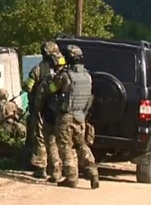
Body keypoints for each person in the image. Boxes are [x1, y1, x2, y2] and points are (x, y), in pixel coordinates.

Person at [48, 44, 100, 189]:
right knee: (81, 144)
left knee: (66, 146)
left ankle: (71, 177)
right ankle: (93, 171)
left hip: (66, 117)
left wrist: (53, 78)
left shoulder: (66, 76)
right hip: (81, 117)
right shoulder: (87, 77)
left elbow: (52, 89)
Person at [21, 41, 63, 181]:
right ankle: (56, 169)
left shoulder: (38, 68)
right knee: (54, 139)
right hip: (58, 110)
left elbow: (28, 87)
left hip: (40, 109)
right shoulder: (63, 68)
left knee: (40, 138)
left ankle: (41, 169)